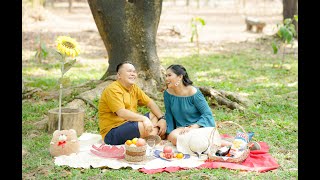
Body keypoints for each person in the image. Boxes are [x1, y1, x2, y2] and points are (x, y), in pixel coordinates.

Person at [98, 61, 167, 145]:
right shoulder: (113, 89)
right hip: (112, 132)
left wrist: (162, 118)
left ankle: (150, 136)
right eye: (129, 71)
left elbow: (150, 102)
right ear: (119, 75)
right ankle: (153, 136)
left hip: (129, 123)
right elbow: (121, 112)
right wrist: (144, 119)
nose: (133, 74)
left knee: (154, 115)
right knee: (143, 125)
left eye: (134, 71)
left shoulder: (134, 88)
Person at [164, 64, 215, 146]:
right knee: (172, 136)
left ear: (180, 77)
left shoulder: (193, 92)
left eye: (169, 75)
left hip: (198, 126)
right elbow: (169, 114)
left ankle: (207, 144)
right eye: (166, 76)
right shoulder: (167, 93)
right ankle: (203, 145)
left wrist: (194, 126)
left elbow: (207, 114)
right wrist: (168, 134)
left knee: (183, 139)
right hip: (181, 129)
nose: (166, 78)